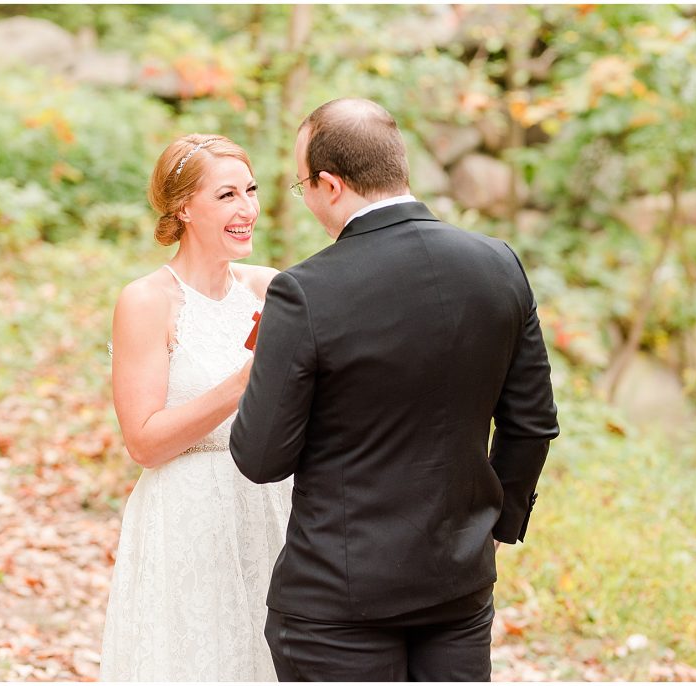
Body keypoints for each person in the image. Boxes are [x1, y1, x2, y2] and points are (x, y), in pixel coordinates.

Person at [229, 98, 560, 681]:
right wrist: (496, 530)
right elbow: (532, 423)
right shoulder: (498, 263)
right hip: (460, 588)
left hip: (339, 602)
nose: (304, 199)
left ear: (330, 185)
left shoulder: (306, 292)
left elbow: (261, 457)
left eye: (301, 184)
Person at [99, 134, 292, 681]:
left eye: (250, 191)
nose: (247, 209)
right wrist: (242, 383)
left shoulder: (272, 290)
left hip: (274, 503)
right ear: (183, 207)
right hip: (187, 516)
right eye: (227, 195)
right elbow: (144, 442)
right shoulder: (146, 301)